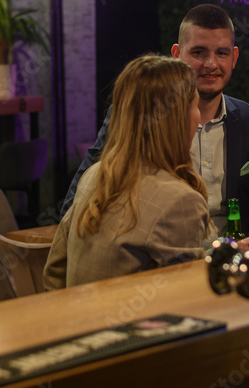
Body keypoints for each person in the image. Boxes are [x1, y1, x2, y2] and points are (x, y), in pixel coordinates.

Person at [61, 4, 249, 235]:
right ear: (176, 55)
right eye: (199, 52)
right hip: (158, 261)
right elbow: (75, 205)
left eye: (221, 53)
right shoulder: (137, 114)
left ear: (234, 57)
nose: (211, 64)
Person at [43, 55, 213, 289]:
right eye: (195, 105)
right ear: (177, 119)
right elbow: (188, 301)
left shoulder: (93, 176)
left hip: (77, 323)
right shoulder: (181, 201)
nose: (200, 117)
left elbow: (54, 271)